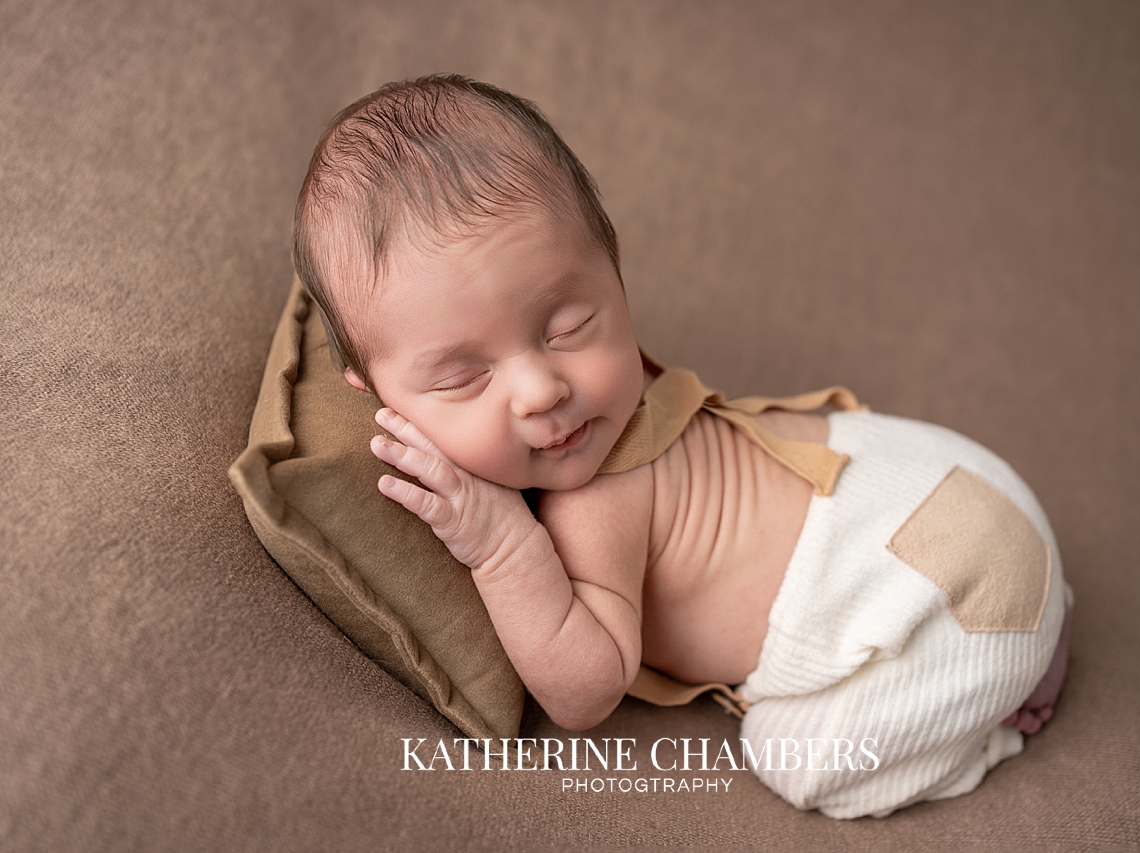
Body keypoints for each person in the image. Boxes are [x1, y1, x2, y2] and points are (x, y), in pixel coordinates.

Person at [293, 74, 1071, 819]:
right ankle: (1041, 612)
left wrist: (500, 546)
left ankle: (992, 705)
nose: (540, 391)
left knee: (794, 757)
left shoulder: (597, 498)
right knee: (987, 584)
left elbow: (584, 690)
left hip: (935, 593)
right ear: (370, 387)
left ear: (615, 270)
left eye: (568, 327)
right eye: (465, 376)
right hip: (960, 486)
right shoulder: (588, 402)